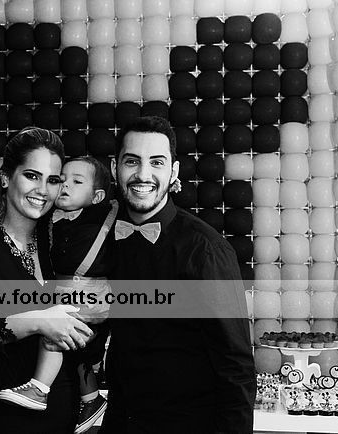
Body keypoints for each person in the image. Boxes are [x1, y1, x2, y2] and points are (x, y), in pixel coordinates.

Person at [100, 116, 256, 433]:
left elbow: (236, 367)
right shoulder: (103, 238)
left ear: (173, 172)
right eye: (132, 161)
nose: (143, 174)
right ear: (115, 168)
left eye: (156, 162)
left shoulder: (205, 251)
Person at [0, 127, 95, 433]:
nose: (42, 190)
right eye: (32, 176)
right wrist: (36, 321)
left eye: (53, 180)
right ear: (6, 177)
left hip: (58, 414)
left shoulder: (58, 246)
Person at [0, 156, 117, 434]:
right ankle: (91, 398)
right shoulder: (51, 219)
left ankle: (39, 388)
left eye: (77, 182)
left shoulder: (105, 215)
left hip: (90, 293)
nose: (65, 186)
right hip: (64, 292)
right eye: (61, 180)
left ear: (97, 196)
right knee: (72, 347)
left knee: (54, 333)